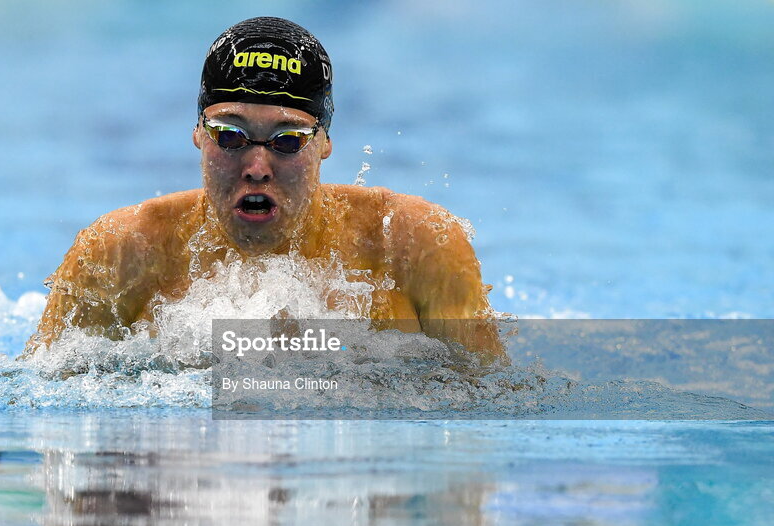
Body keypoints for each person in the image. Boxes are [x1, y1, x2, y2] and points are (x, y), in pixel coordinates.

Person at [25, 16, 501, 358]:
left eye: (287, 140)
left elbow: (492, 408)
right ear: (197, 134)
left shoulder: (413, 244)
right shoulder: (120, 252)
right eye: (230, 136)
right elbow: (33, 404)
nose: (256, 166)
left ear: (325, 142)